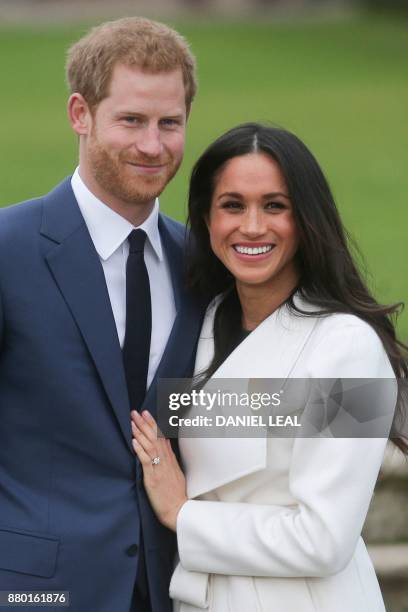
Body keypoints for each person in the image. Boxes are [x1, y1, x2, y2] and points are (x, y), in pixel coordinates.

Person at [131, 123, 407, 612]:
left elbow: (324, 539)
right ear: (206, 219)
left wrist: (184, 514)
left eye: (275, 206)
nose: (253, 226)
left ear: (306, 220)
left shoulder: (350, 348)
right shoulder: (200, 321)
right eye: (232, 205)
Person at [0, 17, 206, 612]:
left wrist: (358, 400)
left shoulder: (205, 264)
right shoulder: (9, 249)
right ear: (79, 114)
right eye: (132, 120)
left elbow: (250, 403)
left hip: (177, 590)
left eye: (170, 123)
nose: (153, 144)